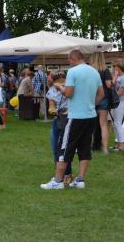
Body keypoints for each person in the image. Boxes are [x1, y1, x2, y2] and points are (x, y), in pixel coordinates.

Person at [40, 49, 104, 190]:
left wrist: (59, 88)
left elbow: (68, 93)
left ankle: (58, 181)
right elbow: (101, 94)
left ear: (73, 58)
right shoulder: (94, 71)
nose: (69, 63)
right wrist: (90, 105)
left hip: (75, 116)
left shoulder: (73, 72)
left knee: (64, 147)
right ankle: (80, 179)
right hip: (90, 115)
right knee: (84, 147)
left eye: (69, 60)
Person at [46, 71, 73, 184]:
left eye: (63, 81)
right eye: (58, 81)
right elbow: (51, 106)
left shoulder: (70, 88)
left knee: (65, 148)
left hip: (70, 119)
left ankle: (67, 174)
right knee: (55, 148)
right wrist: (53, 110)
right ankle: (59, 174)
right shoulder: (51, 90)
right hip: (58, 119)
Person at [89, 52, 113, 154]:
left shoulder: (89, 71)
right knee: (103, 124)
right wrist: (113, 81)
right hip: (103, 98)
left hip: (91, 98)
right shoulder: (105, 70)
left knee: (89, 124)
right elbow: (108, 85)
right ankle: (105, 148)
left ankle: (87, 146)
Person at [111, 59, 124, 151]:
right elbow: (111, 86)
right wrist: (114, 76)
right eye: (113, 66)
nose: (113, 68)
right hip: (117, 102)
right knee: (115, 123)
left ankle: (122, 144)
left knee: (117, 123)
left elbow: (120, 92)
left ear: (119, 67)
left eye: (115, 66)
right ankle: (119, 144)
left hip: (122, 102)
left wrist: (112, 99)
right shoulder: (118, 77)